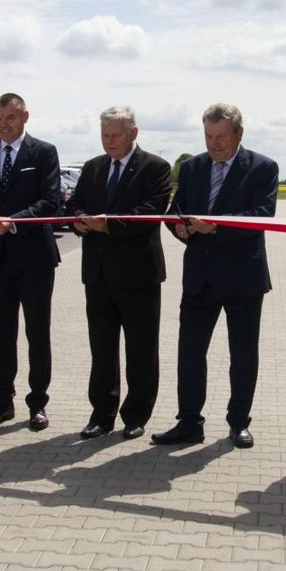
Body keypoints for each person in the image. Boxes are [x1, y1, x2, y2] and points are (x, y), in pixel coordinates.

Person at [152, 103, 279, 449]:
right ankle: (189, 422)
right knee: (190, 352)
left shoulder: (263, 167)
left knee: (242, 354)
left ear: (239, 133)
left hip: (243, 276)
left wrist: (215, 227)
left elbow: (262, 214)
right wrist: (177, 226)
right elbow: (174, 211)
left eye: (221, 136)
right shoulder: (192, 167)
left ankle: (239, 422)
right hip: (199, 277)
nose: (214, 143)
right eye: (208, 136)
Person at [68, 107, 172, 440]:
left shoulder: (156, 168)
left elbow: (150, 212)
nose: (109, 142)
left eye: (115, 135)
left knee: (141, 349)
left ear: (133, 133)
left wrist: (108, 224)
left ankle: (136, 415)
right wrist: (80, 220)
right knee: (102, 348)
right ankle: (102, 414)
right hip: (97, 274)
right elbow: (74, 204)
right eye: (104, 135)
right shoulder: (93, 167)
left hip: (138, 274)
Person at [0, 93, 61, 432]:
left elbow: (50, 201)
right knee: (2, 333)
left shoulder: (44, 152)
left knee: (37, 333)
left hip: (35, 257)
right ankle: (1, 401)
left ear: (25, 117)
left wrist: (12, 220)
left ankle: (37, 404)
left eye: (10, 118)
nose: (3, 124)